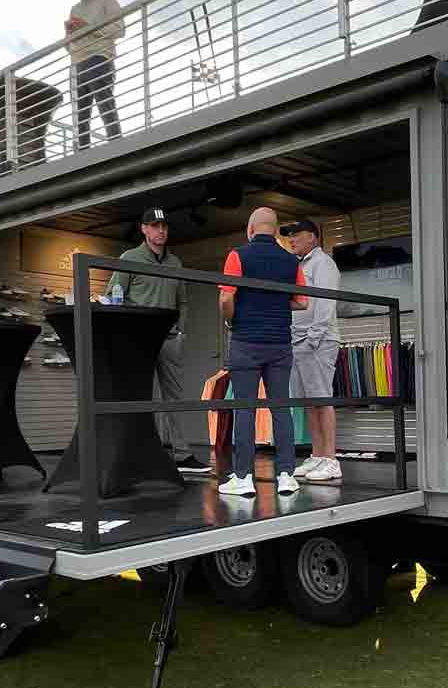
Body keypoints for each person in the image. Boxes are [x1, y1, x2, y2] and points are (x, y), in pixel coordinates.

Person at [217, 207, 308, 497]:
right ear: (274, 229)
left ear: (251, 228)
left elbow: (225, 297)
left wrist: (233, 317)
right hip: (280, 344)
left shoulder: (238, 256)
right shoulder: (291, 261)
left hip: (246, 341)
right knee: (281, 408)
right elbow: (302, 302)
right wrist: (276, 304)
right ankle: (285, 475)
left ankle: (243, 478)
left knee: (245, 408)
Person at [105, 206, 201, 465]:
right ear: (144, 229)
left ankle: (182, 454)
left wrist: (181, 330)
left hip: (170, 339)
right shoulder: (129, 258)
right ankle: (135, 452)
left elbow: (183, 302)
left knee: (174, 398)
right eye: (155, 226)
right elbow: (114, 298)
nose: (161, 230)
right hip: (139, 340)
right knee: (137, 395)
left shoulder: (175, 263)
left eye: (164, 226)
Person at [284, 219, 342, 484]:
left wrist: (314, 338)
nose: (291, 239)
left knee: (321, 398)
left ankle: (331, 460)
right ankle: (318, 455)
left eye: (296, 235)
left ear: (313, 237)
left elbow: (326, 302)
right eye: (289, 235)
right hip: (299, 341)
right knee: (309, 401)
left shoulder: (323, 263)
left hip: (316, 341)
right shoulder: (299, 265)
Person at [63, 0, 125, 150]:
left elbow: (120, 29)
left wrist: (87, 26)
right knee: (81, 112)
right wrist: (68, 36)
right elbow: (70, 46)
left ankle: (116, 144)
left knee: (104, 102)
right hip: (77, 62)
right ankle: (83, 152)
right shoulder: (75, 9)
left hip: (99, 57)